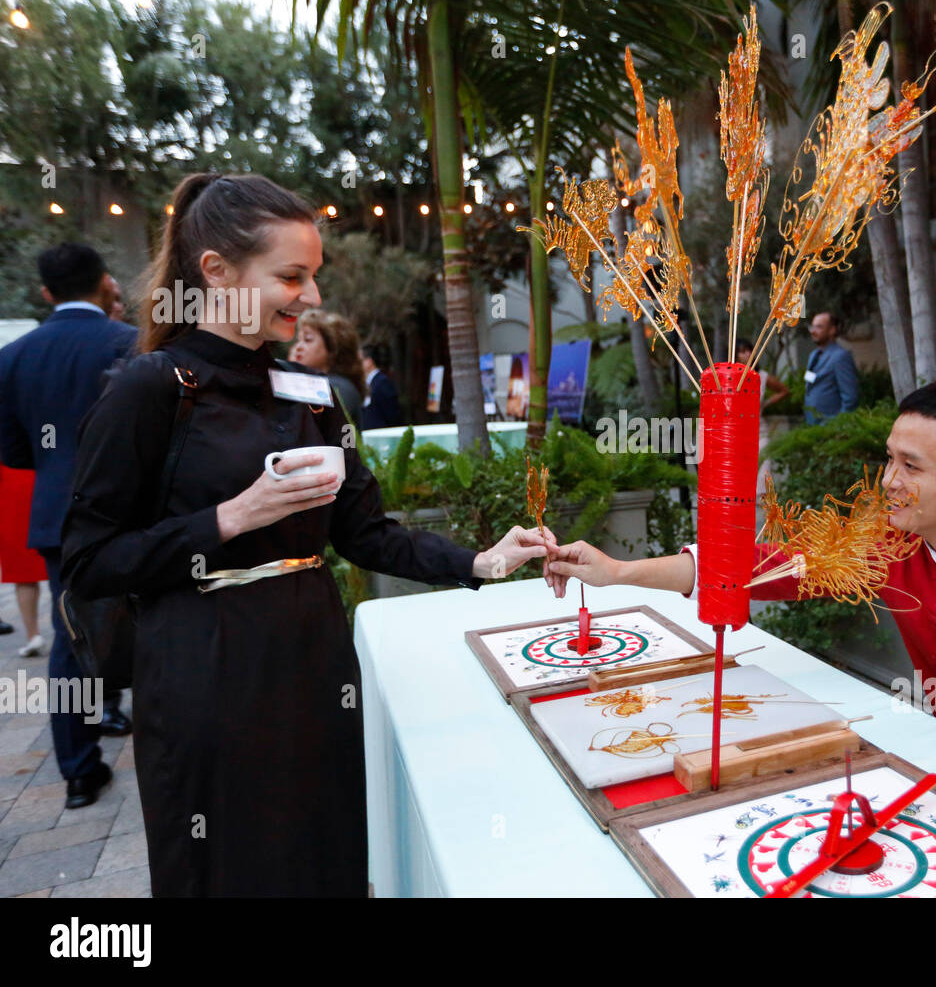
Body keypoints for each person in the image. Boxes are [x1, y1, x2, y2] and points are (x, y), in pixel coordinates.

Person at [60, 173, 555, 897]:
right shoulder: (151, 389)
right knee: (229, 865)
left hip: (315, 662)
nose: (313, 297)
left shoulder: (310, 391)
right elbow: (91, 561)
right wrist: (232, 516)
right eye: (292, 276)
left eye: (313, 276)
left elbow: (367, 533)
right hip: (206, 670)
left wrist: (481, 559)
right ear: (217, 272)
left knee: (327, 856)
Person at [544, 379, 936, 810]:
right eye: (889, 458)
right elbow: (769, 566)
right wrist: (620, 571)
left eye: (911, 467)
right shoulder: (891, 540)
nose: (889, 481)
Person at [0, 241, 136, 810]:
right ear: (106, 282)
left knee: (70, 639)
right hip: (136, 512)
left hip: (59, 516)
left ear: (46, 293)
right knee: (153, 623)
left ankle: (79, 771)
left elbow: (13, 450)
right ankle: (172, 750)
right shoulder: (131, 344)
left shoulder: (14, 356)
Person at [289, 309, 366, 427]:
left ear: (332, 349)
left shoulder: (339, 388)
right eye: (298, 340)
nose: (298, 347)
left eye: (308, 339)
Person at [0, 462, 46, 656]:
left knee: (24, 573)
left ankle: (33, 635)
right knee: (66, 571)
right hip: (46, 483)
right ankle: (72, 633)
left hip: (13, 485)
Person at [736, 338, 790, 494]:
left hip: (760, 432)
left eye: (748, 350)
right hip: (738, 434)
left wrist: (766, 403)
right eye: (741, 351)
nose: (746, 354)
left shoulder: (763, 376)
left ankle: (765, 509)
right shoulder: (731, 377)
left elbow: (784, 390)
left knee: (764, 471)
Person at [803, 311, 859, 424]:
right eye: (812, 327)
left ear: (832, 330)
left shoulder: (841, 356)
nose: (813, 331)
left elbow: (850, 397)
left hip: (831, 426)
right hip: (812, 425)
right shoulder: (814, 355)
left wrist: (838, 425)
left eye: (819, 327)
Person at [361, 342, 402, 429]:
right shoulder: (369, 382)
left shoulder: (382, 382)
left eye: (360, 360)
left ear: (369, 361)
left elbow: (392, 414)